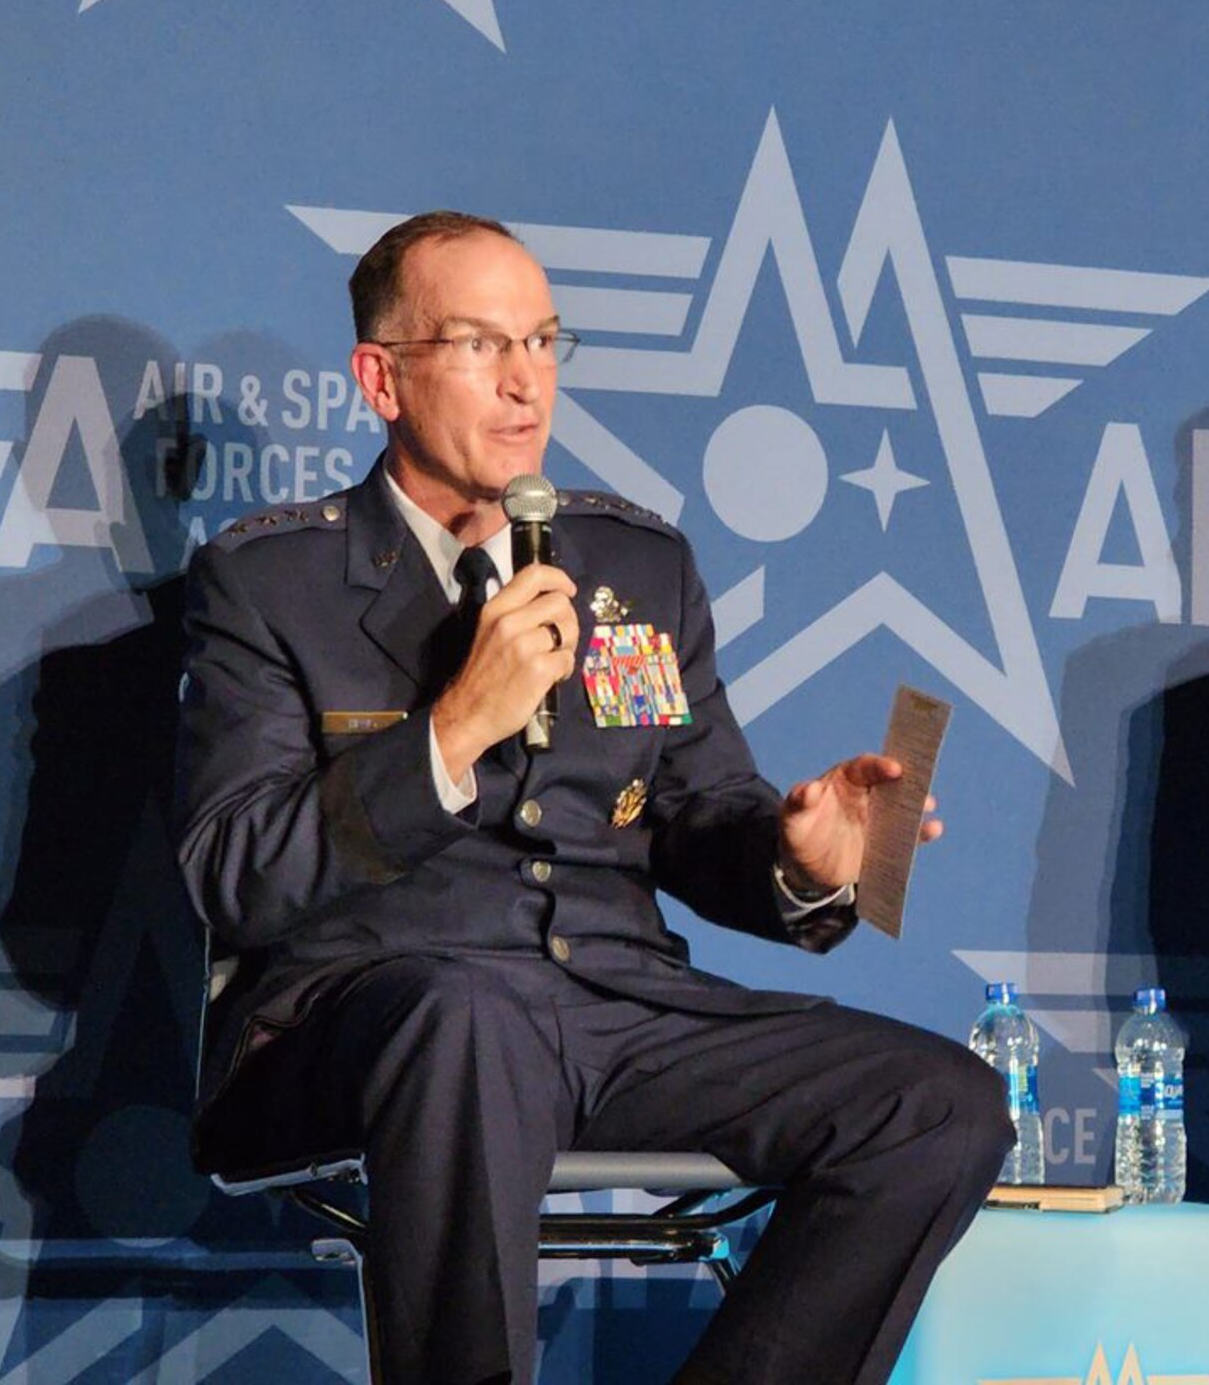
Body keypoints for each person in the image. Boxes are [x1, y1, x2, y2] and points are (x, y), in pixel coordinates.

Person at [177, 210, 1010, 1385]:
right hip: (371, 1019)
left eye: (544, 343)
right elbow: (238, 870)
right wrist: (458, 724)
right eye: (479, 347)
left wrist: (798, 859)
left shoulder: (636, 566)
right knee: (468, 1018)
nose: (525, 386)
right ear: (381, 379)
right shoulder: (271, 584)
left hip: (616, 1007)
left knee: (940, 1104)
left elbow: (695, 812)